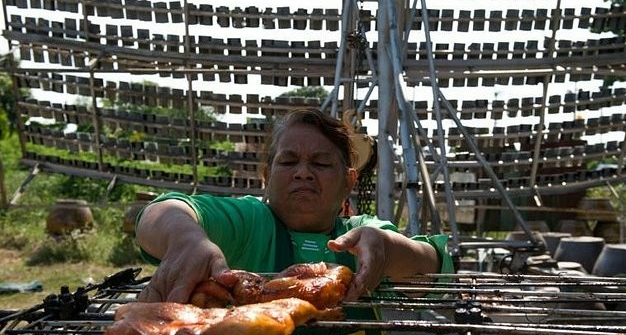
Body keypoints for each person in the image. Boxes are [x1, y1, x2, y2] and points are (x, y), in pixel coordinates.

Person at [136, 107, 453, 305]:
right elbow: (162, 211)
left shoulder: (363, 233)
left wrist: (388, 249)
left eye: (321, 162)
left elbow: (435, 265)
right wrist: (187, 239)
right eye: (288, 161)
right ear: (266, 175)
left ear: (349, 182)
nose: (303, 172)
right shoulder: (250, 222)